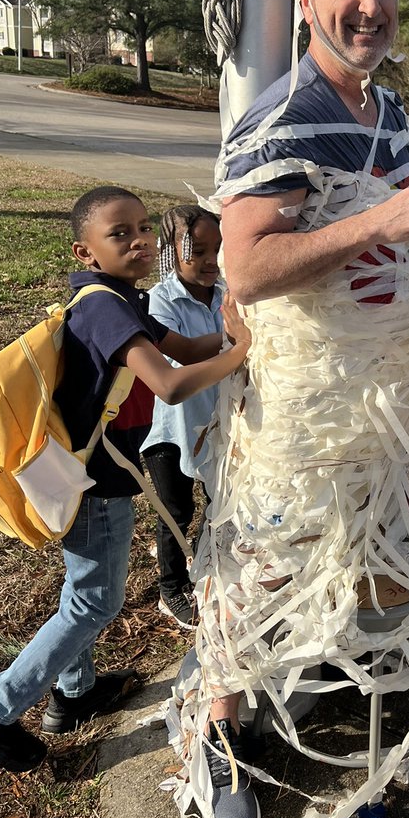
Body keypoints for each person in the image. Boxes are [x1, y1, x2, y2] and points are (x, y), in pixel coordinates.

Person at [165, 0, 409, 818]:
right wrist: (380, 223)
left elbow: (395, 232)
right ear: (307, 2)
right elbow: (246, 269)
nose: (370, 6)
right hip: (301, 414)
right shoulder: (280, 116)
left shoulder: (389, 113)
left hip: (381, 405)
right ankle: (217, 731)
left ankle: (357, 678)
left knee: (375, 549)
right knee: (258, 564)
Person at [0, 186, 250, 773]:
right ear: (85, 252)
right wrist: (243, 353)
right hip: (97, 483)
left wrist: (235, 333)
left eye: (143, 228)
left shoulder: (122, 299)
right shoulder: (103, 307)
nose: (139, 241)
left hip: (85, 472)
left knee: (81, 588)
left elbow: (183, 346)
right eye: (119, 233)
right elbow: (170, 382)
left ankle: (75, 692)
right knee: (94, 602)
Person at [141, 205, 224, 630]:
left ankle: (210, 571)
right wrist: (236, 340)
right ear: (171, 253)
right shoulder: (160, 300)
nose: (211, 261)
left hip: (221, 423)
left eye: (217, 249)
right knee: (175, 511)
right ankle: (171, 587)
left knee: (220, 502)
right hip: (171, 430)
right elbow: (173, 361)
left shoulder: (228, 292)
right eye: (198, 251)